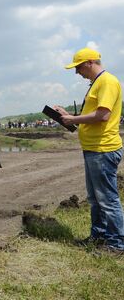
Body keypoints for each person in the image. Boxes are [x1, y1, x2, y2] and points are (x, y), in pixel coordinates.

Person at [54, 48, 124, 254]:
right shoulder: (98, 83)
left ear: (90, 62)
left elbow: (103, 115)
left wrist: (73, 120)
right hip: (93, 149)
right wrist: (69, 115)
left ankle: (117, 244)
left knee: (108, 199)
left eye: (78, 67)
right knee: (95, 198)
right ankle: (99, 235)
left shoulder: (107, 82)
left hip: (103, 149)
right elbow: (92, 115)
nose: (77, 73)